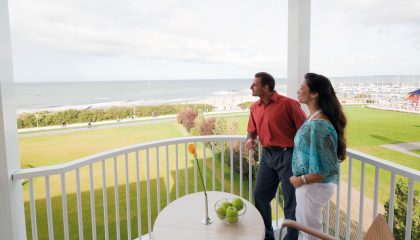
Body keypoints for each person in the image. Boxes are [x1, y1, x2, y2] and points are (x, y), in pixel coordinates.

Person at [246, 72, 306, 240]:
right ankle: (266, 236)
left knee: (290, 203)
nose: (251, 87)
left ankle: (291, 238)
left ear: (265, 87)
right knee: (260, 195)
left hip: (288, 156)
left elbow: (305, 131)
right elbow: (251, 131)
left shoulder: (288, 104)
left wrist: (302, 158)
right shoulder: (254, 108)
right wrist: (250, 139)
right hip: (267, 156)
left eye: (254, 84)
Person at [289, 73, 347, 240]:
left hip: (312, 188)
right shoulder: (315, 118)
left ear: (314, 94)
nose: (298, 90)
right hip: (311, 187)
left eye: (302, 88)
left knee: (310, 234)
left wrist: (301, 180)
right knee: (307, 231)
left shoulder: (319, 125)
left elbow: (327, 169)